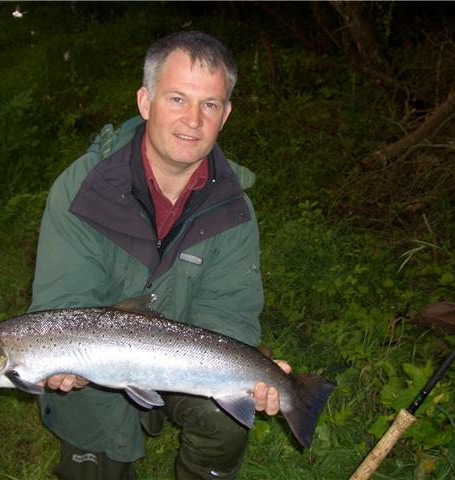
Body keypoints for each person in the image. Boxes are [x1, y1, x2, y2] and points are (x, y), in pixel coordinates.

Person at [29, 30, 291, 480]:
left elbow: (229, 314)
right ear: (145, 101)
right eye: (176, 99)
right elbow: (62, 305)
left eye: (209, 104)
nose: (192, 120)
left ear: (225, 115)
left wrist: (248, 372)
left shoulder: (233, 208)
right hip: (95, 369)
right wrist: (63, 366)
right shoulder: (81, 189)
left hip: (187, 360)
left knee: (226, 421)